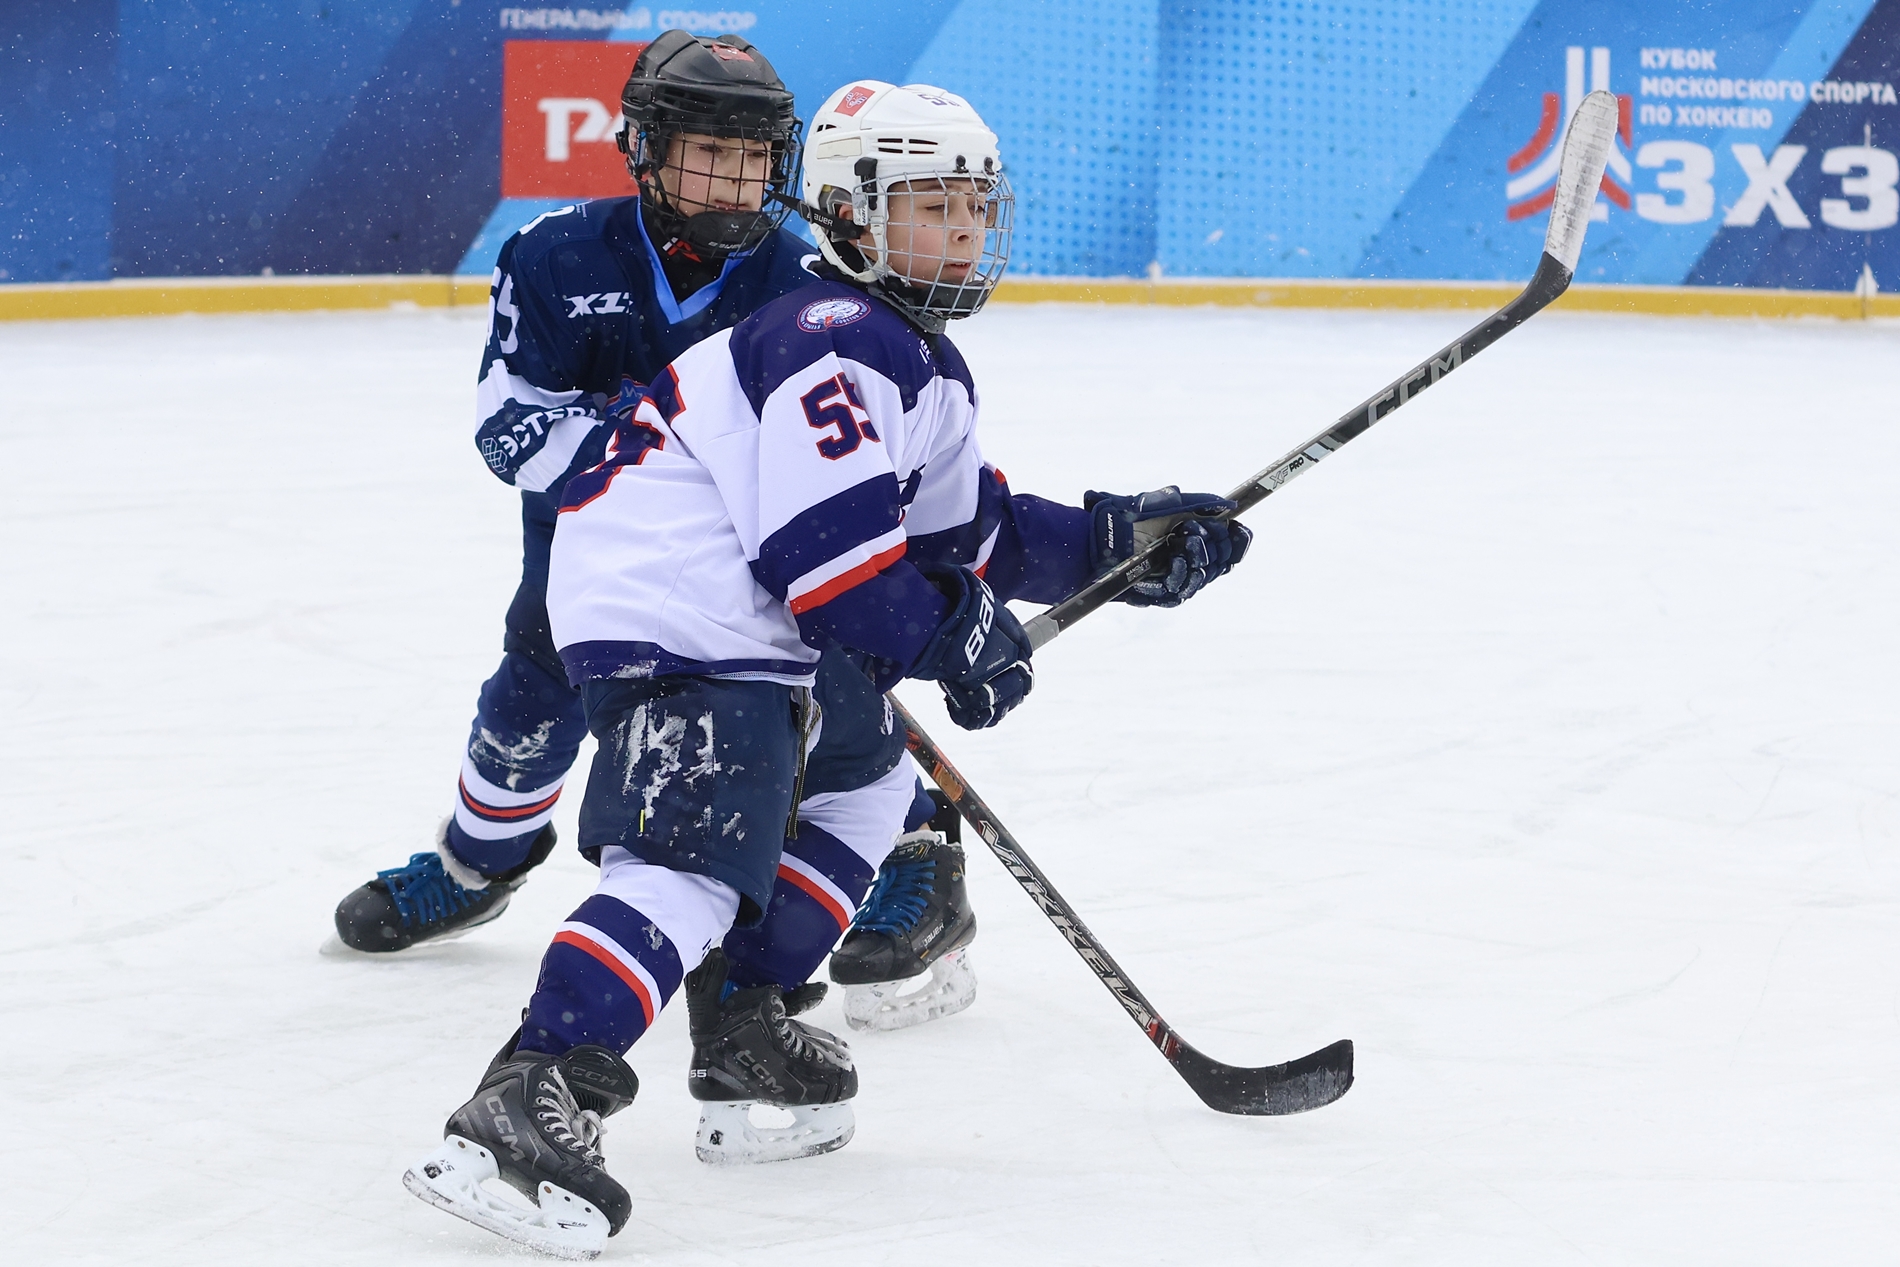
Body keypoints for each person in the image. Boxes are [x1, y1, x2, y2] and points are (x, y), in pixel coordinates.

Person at [400, 80, 1252, 1258]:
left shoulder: (921, 362)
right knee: (694, 856)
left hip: (753, 617)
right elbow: (835, 566)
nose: (961, 232)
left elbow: (968, 535)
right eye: (929, 208)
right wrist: (952, 636)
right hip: (679, 606)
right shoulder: (826, 338)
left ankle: (744, 1018)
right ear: (853, 217)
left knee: (866, 782)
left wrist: (1121, 542)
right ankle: (530, 1092)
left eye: (972, 208)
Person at [330, 31, 983, 1032]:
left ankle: (909, 848)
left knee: (832, 692)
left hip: (754, 563)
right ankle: (476, 863)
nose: (734, 177)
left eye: (755, 156)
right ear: (643, 146)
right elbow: (509, 422)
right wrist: (667, 462)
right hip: (595, 553)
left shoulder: (814, 282)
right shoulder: (554, 253)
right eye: (707, 151)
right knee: (529, 696)